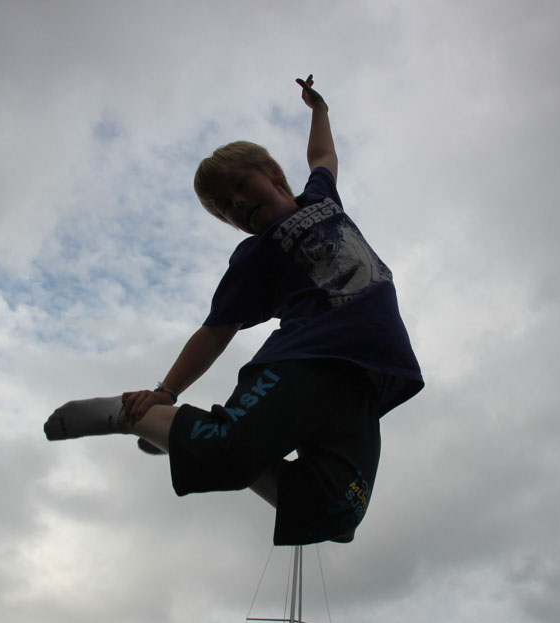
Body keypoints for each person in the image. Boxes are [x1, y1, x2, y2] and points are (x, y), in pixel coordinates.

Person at [44, 75, 423, 545]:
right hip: (307, 359)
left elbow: (323, 157)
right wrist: (165, 391)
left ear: (273, 173)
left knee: (334, 513)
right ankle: (128, 416)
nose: (238, 203)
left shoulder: (322, 199)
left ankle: (193, 437)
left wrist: (319, 110)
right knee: (224, 456)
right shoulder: (255, 255)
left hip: (364, 381)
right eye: (226, 207)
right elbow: (215, 330)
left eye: (241, 185)